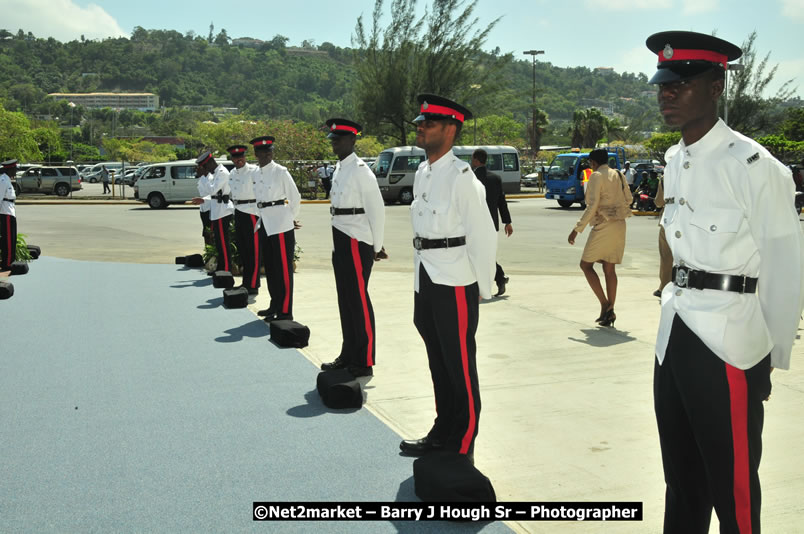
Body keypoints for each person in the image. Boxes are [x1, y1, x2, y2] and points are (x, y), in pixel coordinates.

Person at [647, 31, 804, 533]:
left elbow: (784, 265)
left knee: (732, 488)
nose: (666, 94)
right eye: (662, 84)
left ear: (716, 86)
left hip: (729, 339)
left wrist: (769, 358)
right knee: (681, 481)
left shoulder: (756, 167)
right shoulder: (674, 160)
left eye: (681, 83)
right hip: (675, 332)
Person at [398, 94, 497, 461]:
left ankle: (463, 440)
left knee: (459, 364)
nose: (421, 127)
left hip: (455, 280)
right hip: (426, 276)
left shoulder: (462, 179)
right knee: (438, 359)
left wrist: (483, 289)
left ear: (451, 129)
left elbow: (484, 237)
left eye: (430, 123)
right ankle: (443, 429)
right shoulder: (424, 172)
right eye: (420, 122)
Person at [319, 119, 386, 378]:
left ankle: (365, 359)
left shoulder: (360, 170)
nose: (334, 143)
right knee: (345, 300)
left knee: (358, 300)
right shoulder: (339, 168)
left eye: (340, 138)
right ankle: (348, 353)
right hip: (341, 235)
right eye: (333, 139)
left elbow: (377, 210)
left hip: (357, 240)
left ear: (353, 140)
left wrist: (376, 246)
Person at [567, 149, 632, 327]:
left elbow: (592, 205)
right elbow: (629, 199)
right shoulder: (618, 174)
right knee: (609, 268)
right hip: (619, 224)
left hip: (603, 224)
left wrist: (576, 229)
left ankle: (605, 304)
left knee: (585, 265)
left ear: (593, 162)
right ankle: (610, 309)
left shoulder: (596, 176)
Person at [250, 136, 301, 321]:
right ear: (256, 155)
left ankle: (285, 311)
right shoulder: (255, 174)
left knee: (283, 269)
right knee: (271, 268)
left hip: (280, 223)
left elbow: (295, 197)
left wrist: (290, 219)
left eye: (269, 151)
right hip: (264, 222)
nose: (267, 155)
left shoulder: (281, 171)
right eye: (263, 153)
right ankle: (275, 305)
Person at [471, 148, 513, 296]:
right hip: (492, 224)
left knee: (476, 255)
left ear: (476, 160)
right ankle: (499, 278)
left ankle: (499, 278)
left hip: (474, 224)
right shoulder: (495, 178)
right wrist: (507, 222)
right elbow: (502, 202)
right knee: (484, 254)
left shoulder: (471, 179)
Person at [227, 144, 260, 295]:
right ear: (232, 159)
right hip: (238, 211)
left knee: (253, 250)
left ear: (245, 157)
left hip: (252, 212)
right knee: (243, 250)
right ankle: (246, 282)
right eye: (235, 157)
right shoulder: (232, 173)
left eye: (241, 157)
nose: (238, 159)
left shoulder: (254, 171)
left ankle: (253, 285)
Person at [195, 151, 234, 273]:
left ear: (211, 163)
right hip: (217, 211)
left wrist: (205, 177)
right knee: (219, 243)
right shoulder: (216, 173)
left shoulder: (222, 173)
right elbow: (213, 195)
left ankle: (226, 269)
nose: (206, 169)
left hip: (223, 211)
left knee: (223, 242)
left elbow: (212, 190)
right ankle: (221, 267)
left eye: (205, 167)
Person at [653, 174, 672, 298]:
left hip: (669, 219)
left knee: (666, 257)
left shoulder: (667, 176)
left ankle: (664, 286)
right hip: (692, 219)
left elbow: (659, 202)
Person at [0, 159, 18, 272]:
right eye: (14, 169)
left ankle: (10, 260)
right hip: (5, 212)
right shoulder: (2, 180)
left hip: (10, 211)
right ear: (10, 169)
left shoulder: (7, 180)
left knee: (12, 237)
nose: (16, 172)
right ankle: (6, 263)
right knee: (7, 239)